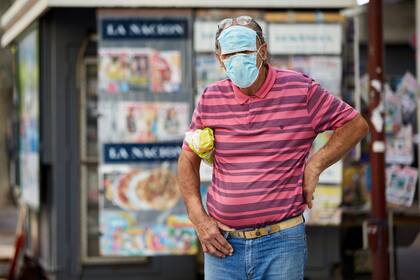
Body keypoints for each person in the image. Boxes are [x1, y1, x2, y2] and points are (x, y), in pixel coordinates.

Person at [177, 16, 369, 280]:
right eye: (230, 54)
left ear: (263, 51)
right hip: (222, 244)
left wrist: (314, 166)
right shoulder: (211, 98)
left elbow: (355, 125)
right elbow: (187, 159)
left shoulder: (300, 90)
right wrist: (199, 219)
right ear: (219, 59)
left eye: (245, 51)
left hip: (281, 242)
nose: (238, 59)